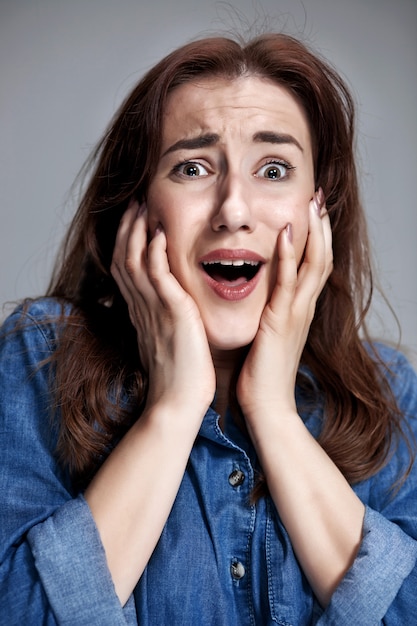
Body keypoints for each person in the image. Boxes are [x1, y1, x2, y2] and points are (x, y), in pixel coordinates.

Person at [0, 32, 416, 626]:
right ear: (137, 207)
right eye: (192, 167)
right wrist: (174, 406)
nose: (234, 210)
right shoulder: (41, 356)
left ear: (317, 211)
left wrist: (273, 409)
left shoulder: (390, 391)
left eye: (274, 169)